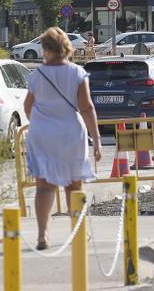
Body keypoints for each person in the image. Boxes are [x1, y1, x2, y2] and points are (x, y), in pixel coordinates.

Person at [23, 27, 101, 250]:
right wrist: (96, 138)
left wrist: (41, 122)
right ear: (66, 46)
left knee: (44, 187)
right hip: (70, 133)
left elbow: (27, 106)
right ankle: (77, 232)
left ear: (45, 49)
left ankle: (42, 235)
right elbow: (86, 107)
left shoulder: (36, 75)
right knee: (74, 185)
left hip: (42, 134)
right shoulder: (77, 73)